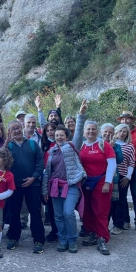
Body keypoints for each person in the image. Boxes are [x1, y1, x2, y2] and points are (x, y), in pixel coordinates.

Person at [41, 105, 86, 255]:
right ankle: (63, 239)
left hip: (71, 185)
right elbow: (47, 173)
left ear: (66, 136)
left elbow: (79, 133)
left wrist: (81, 115)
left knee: (68, 213)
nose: (59, 137)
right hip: (55, 186)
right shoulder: (51, 151)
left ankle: (72, 240)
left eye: (62, 135)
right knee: (58, 215)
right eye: (57, 135)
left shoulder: (71, 146)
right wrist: (44, 190)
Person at [77, 118, 117, 256]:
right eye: (88, 129)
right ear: (84, 132)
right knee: (86, 211)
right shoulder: (81, 146)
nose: (91, 131)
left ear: (97, 131)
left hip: (101, 181)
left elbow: (112, 164)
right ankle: (92, 233)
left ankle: (102, 238)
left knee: (101, 211)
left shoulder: (104, 145)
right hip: (85, 182)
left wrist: (107, 182)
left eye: (93, 129)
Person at [5, 119, 45, 254]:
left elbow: (40, 162)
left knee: (35, 212)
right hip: (14, 184)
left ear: (22, 127)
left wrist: (34, 177)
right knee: (14, 212)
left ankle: (39, 239)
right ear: (9, 132)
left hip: (32, 183)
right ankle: (13, 237)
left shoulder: (33, 144)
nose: (16, 131)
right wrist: (6, 141)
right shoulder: (8, 146)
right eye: (13, 129)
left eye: (17, 128)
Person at [117, 111, 136, 234]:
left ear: (132, 120)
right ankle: (126, 221)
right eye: (123, 119)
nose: (125, 121)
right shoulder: (118, 134)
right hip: (122, 170)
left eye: (128, 119)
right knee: (122, 196)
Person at [109, 123, 135, 235]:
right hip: (111, 177)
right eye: (120, 131)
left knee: (120, 201)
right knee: (112, 202)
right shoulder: (110, 144)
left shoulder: (129, 146)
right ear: (116, 132)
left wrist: (127, 177)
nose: (122, 133)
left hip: (122, 177)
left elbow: (131, 163)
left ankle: (118, 224)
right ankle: (115, 222)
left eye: (124, 131)